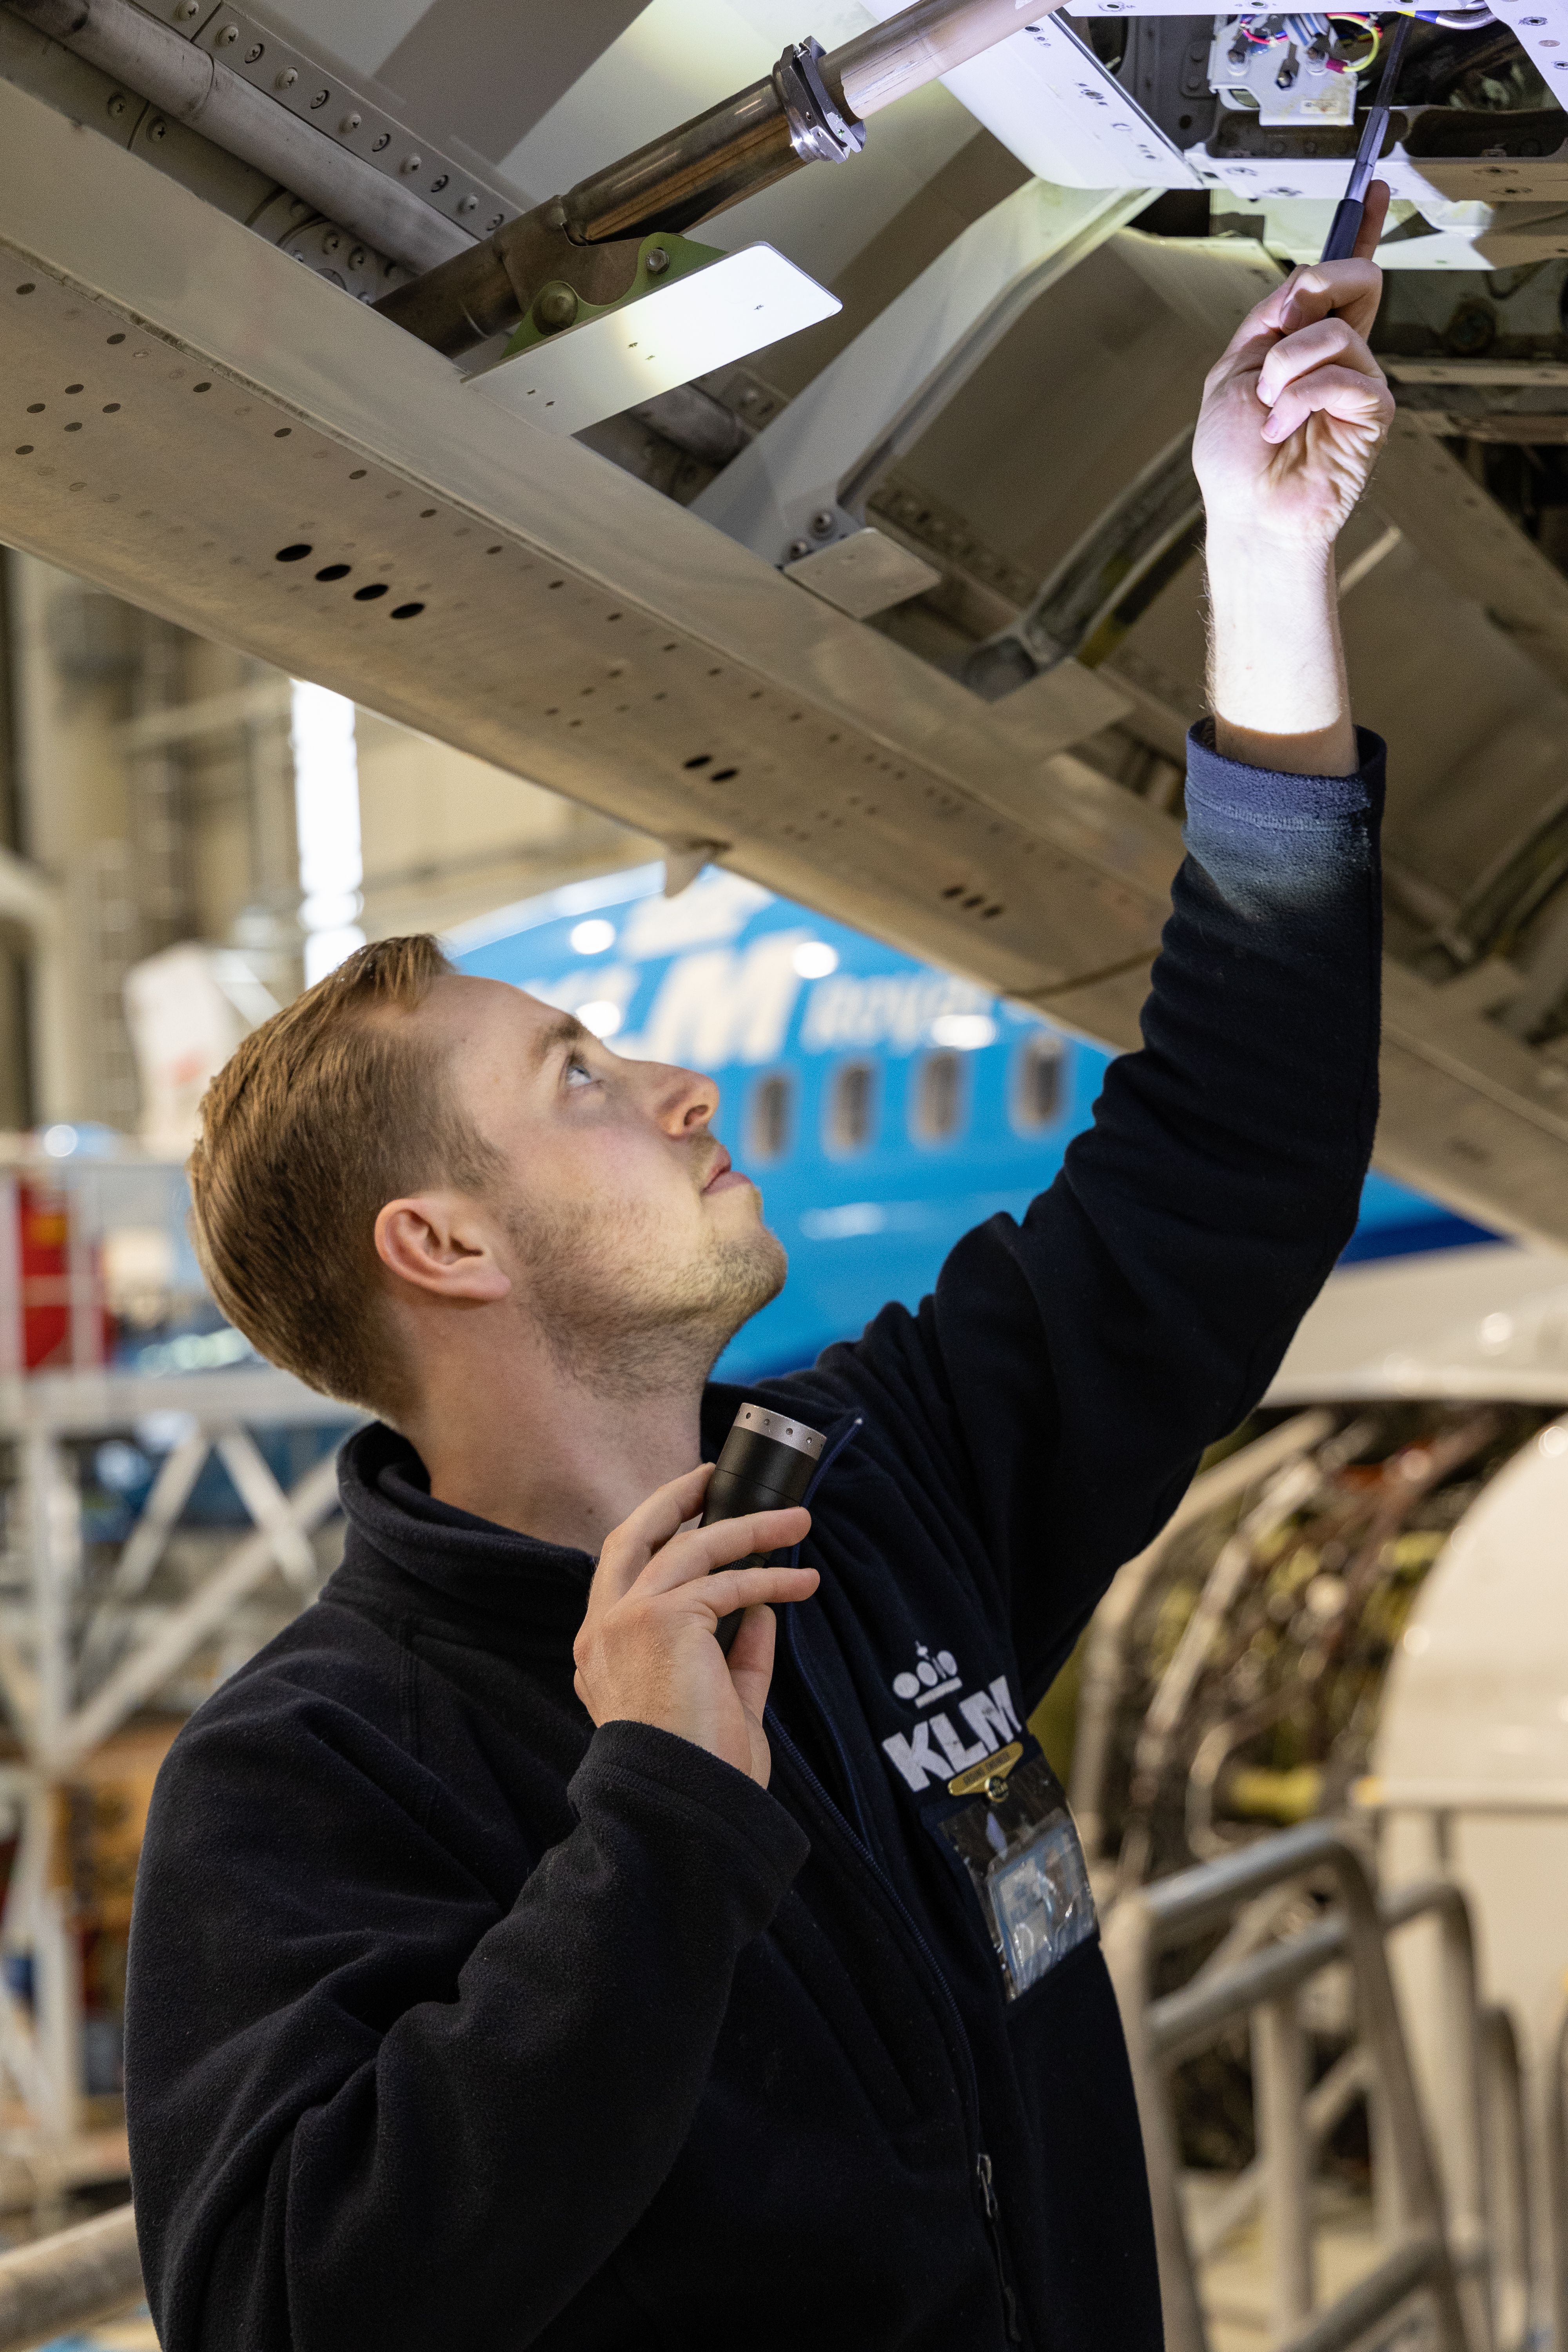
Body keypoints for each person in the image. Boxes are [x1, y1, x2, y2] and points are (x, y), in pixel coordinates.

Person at [124, 199, 1396, 2352]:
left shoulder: (871, 1502)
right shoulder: (314, 1771)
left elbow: (1233, 1156)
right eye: (581, 1078)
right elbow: (289, 2308)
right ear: (441, 1243)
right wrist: (654, 1824)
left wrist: (1267, 580)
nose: (683, 1089)